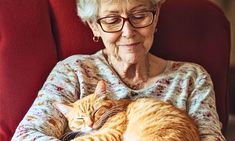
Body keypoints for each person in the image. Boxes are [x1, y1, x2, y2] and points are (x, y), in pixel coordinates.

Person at [12, 0, 225, 140]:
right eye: (112, 20)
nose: (128, 32)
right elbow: (26, 136)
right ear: (95, 26)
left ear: (155, 16)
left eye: (140, 16)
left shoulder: (191, 78)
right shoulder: (73, 71)